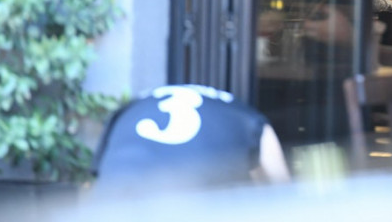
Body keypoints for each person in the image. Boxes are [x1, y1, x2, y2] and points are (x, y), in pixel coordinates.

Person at [91, 84, 289, 196]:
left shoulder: (125, 111)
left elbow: (95, 181)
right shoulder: (249, 118)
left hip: (121, 195)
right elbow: (282, 191)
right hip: (197, 196)